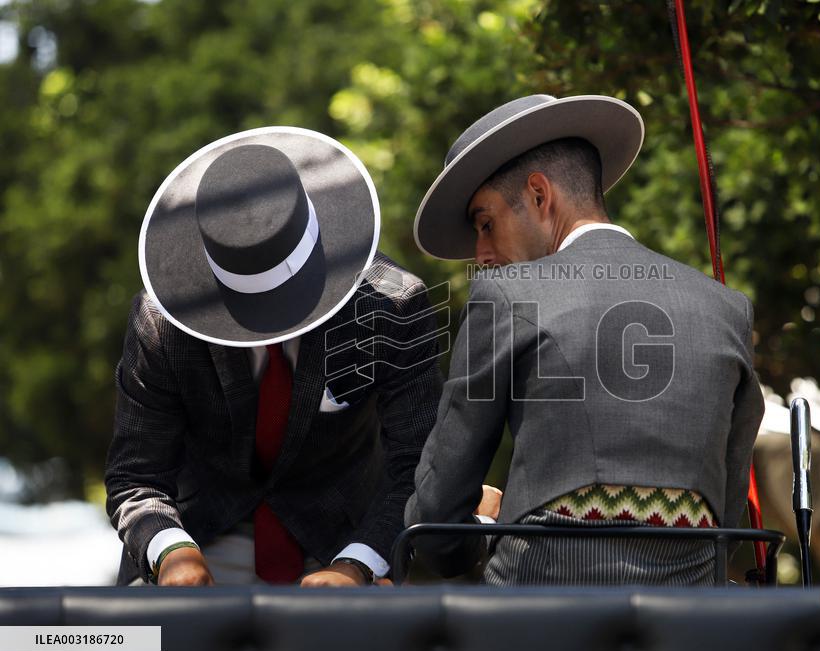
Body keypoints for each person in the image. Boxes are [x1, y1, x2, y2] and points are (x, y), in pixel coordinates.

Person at [405, 95, 765, 585]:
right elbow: (725, 514)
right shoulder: (726, 308)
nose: (481, 254)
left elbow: (437, 517)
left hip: (540, 622)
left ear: (538, 195)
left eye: (486, 224)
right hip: (691, 624)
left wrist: (486, 527)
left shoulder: (506, 296)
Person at [106, 127, 443, 586]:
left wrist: (359, 564)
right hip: (200, 531)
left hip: (339, 540)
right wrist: (171, 551)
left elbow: (418, 463)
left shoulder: (391, 307)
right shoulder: (163, 321)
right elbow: (135, 475)